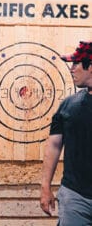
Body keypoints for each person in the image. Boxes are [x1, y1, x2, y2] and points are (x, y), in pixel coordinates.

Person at [40, 41, 92, 225]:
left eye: (76, 63)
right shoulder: (68, 106)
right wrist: (45, 187)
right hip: (75, 197)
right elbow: (54, 145)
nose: (71, 69)